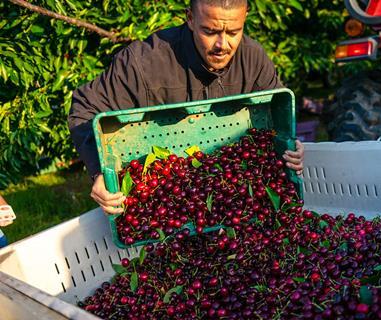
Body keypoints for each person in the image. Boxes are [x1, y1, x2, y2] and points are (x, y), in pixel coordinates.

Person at [68, 0, 305, 214]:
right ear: (190, 18)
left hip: (236, 202)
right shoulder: (144, 62)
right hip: (167, 202)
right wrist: (100, 172)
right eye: (210, 31)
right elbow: (86, 106)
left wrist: (290, 146)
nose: (223, 44)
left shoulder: (253, 59)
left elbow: (278, 117)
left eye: (234, 32)